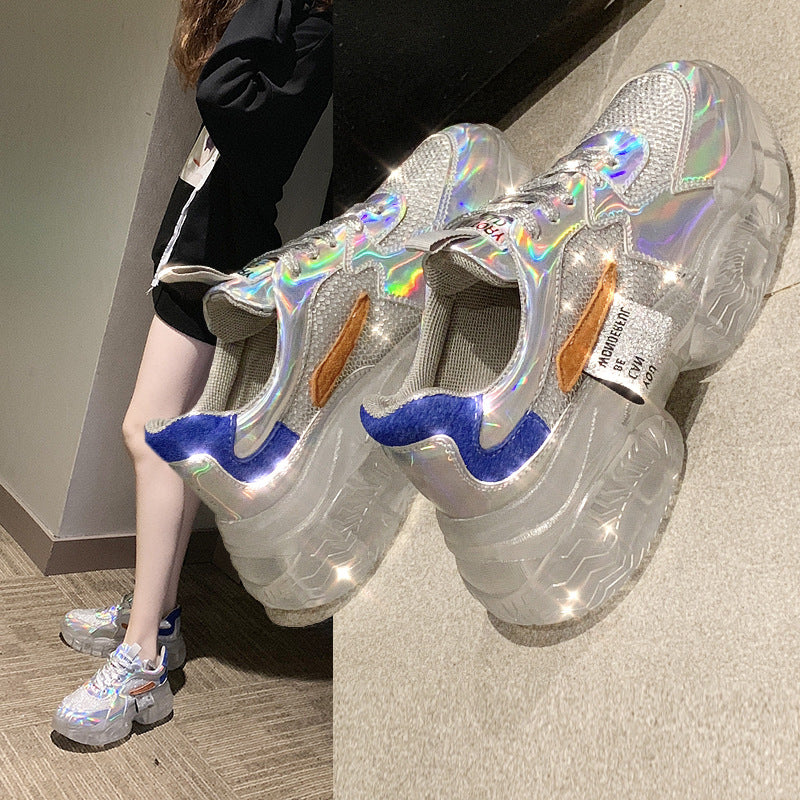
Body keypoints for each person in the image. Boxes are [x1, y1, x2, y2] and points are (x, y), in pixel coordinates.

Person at [52, 0, 332, 747]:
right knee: (158, 438)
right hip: (195, 258)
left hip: (218, 261)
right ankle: (158, 621)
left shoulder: (310, 33)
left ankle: (143, 658)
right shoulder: (289, 31)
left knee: (155, 439)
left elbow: (223, 93)